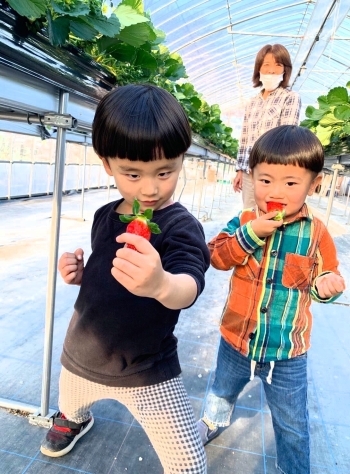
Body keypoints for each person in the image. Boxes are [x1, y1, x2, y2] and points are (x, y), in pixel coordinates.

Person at [40, 84, 210, 474]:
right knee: (70, 400)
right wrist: (80, 275)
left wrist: (163, 286)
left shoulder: (180, 226)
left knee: (188, 462)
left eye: (165, 172)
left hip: (145, 369)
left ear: (182, 159)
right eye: (132, 173)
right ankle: (74, 418)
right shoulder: (104, 214)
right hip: (81, 354)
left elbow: (190, 283)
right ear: (106, 163)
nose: (150, 188)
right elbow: (105, 274)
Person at [197, 125, 346, 474]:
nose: (275, 191)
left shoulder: (317, 233)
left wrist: (329, 285)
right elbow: (216, 256)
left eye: (290, 183)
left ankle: (293, 469)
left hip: (287, 352)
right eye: (265, 180)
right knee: (221, 390)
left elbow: (326, 275)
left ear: (315, 183)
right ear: (252, 178)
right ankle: (214, 422)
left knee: (293, 424)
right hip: (236, 339)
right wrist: (250, 235)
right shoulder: (245, 219)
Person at [233, 44, 301, 208]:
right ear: (259, 69)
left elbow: (286, 138)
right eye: (267, 65)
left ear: (285, 70)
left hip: (273, 172)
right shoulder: (252, 103)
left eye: (278, 65)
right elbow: (245, 139)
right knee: (249, 214)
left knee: (270, 214)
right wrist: (240, 170)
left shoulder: (290, 98)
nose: (271, 71)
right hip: (250, 171)